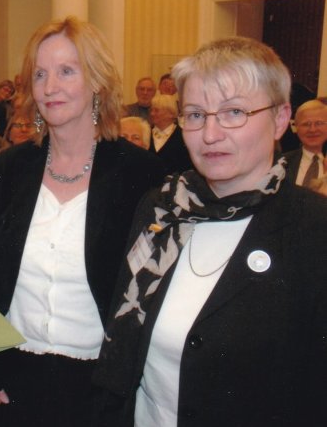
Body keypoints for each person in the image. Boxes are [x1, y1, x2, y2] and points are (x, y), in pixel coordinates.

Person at [94, 37, 327, 426]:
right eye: (196, 114)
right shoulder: (160, 208)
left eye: (234, 112)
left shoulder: (313, 229)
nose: (210, 133)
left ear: (281, 119)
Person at [0, 16, 165, 427]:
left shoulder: (139, 174)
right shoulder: (9, 168)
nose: (50, 87)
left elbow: (152, 290)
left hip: (99, 385)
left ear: (97, 82)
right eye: (40, 74)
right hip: (12, 380)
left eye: (66, 71)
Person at [283, 99, 327, 187]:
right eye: (306, 124)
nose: (312, 129)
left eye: (319, 123)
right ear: (296, 127)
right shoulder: (281, 164)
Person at [149, 93, 193, 174]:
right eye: (151, 110)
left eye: (156, 110)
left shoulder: (184, 137)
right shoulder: (146, 133)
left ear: (171, 113)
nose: (152, 113)